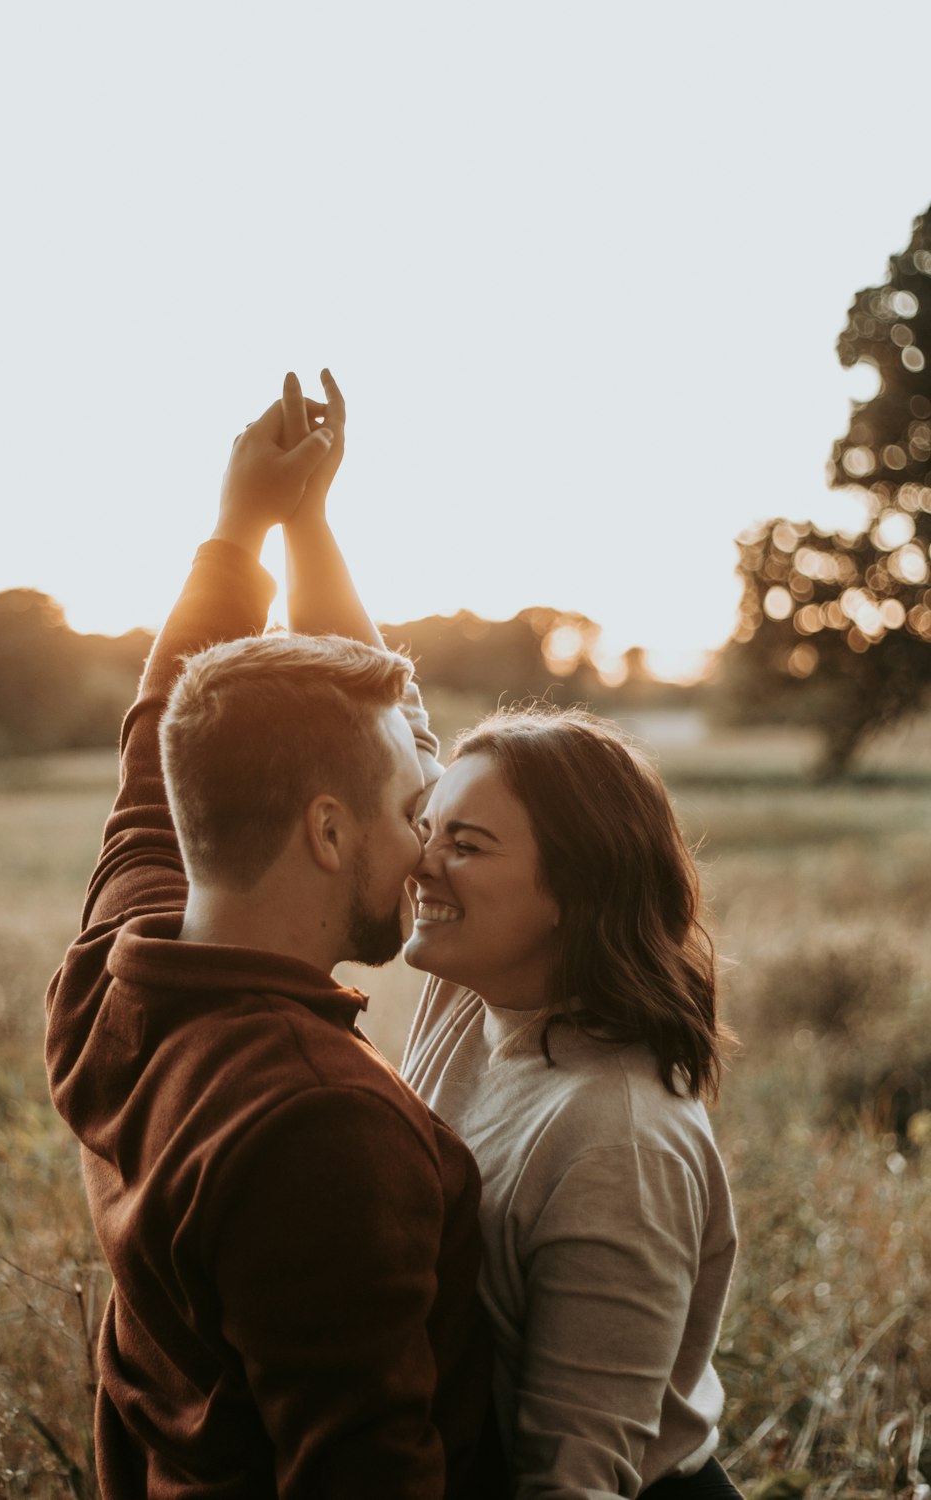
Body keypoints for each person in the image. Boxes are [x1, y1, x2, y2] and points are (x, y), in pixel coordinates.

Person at [282, 371, 741, 1500]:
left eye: (466, 845)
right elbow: (378, 717)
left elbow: (573, 1480)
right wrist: (304, 522)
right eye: (425, 827)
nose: (418, 860)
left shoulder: (612, 1135)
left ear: (575, 896)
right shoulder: (479, 992)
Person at [44, 380, 506, 1500]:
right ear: (327, 829)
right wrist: (261, 524)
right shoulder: (324, 1123)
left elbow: (168, 741)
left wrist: (262, 527)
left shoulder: (114, 980)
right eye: (414, 814)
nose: (430, 850)